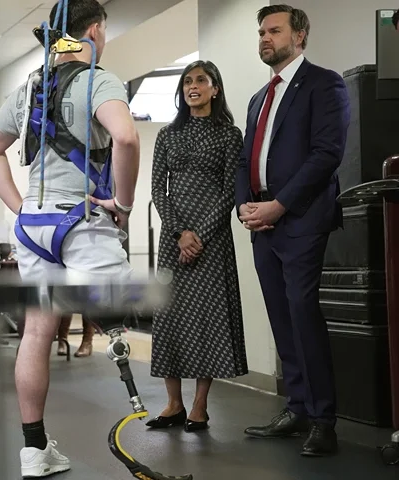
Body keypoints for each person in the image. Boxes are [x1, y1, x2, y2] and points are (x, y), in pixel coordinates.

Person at [0, 1, 140, 476]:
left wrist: (19, 207)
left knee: (37, 331)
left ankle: (34, 451)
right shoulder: (99, 78)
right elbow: (126, 138)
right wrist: (125, 207)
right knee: (126, 308)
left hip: (33, 229)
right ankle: (157, 413)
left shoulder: (29, 88)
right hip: (82, 222)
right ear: (94, 30)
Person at [236, 4, 350, 457]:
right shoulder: (257, 99)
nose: (264, 37)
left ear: (299, 36)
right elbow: (248, 157)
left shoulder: (325, 84)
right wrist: (246, 204)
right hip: (262, 225)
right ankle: (297, 407)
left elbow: (326, 154)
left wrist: (279, 206)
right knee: (281, 318)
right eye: (261, 31)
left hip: (300, 220)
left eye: (274, 30)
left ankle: (324, 420)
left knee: (303, 314)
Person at [146, 60, 247, 433]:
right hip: (175, 240)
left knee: (209, 319)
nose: (193, 86)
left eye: (201, 80)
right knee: (170, 316)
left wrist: (200, 234)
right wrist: (180, 233)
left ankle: (199, 408)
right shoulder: (167, 136)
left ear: (215, 88)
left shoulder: (228, 135)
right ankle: (173, 403)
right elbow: (159, 189)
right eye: (187, 81)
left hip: (213, 239)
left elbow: (229, 192)